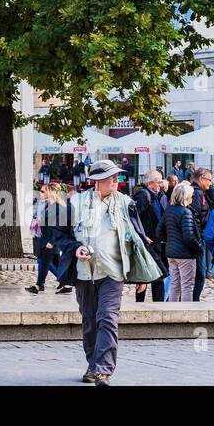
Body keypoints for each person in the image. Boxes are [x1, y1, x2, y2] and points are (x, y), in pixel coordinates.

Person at [71, 159, 153, 386]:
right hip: (84, 272)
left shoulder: (127, 203)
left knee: (107, 318)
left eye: (118, 177)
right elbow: (62, 236)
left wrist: (140, 275)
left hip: (113, 272)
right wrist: (75, 248)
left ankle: (103, 371)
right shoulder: (76, 202)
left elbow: (137, 238)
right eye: (112, 177)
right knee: (89, 320)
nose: (117, 181)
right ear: (97, 181)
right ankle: (93, 364)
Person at [28, 183, 76, 294]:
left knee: (43, 262)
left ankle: (39, 285)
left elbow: (58, 226)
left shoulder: (58, 207)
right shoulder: (49, 205)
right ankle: (66, 283)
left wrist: (52, 241)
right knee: (54, 264)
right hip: (44, 239)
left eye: (50, 191)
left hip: (51, 240)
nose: (49, 193)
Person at [158, 180, 201, 302]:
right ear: (186, 197)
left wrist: (171, 240)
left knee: (175, 284)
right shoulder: (186, 212)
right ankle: (186, 314)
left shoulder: (169, 211)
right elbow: (188, 236)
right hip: (185, 254)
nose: (192, 198)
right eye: (191, 196)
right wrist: (198, 248)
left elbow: (159, 232)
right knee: (187, 286)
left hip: (171, 252)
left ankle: (173, 311)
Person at [132, 171, 167, 302]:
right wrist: (142, 235)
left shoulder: (155, 195)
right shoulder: (143, 195)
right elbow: (134, 217)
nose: (161, 184)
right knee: (147, 274)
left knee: (158, 274)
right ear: (150, 183)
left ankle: (158, 303)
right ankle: (140, 303)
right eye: (159, 182)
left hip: (156, 240)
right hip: (147, 241)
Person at [189, 169, 214, 300]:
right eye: (209, 180)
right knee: (199, 274)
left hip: (198, 238)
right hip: (197, 239)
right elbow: (195, 218)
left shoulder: (199, 193)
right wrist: (199, 237)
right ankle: (194, 301)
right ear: (201, 179)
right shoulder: (197, 194)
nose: (210, 183)